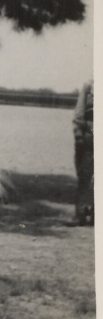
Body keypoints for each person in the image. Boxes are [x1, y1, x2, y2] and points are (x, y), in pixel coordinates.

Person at [68, 79, 94, 227]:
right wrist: (78, 133)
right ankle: (81, 214)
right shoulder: (90, 84)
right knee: (84, 174)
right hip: (89, 133)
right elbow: (79, 111)